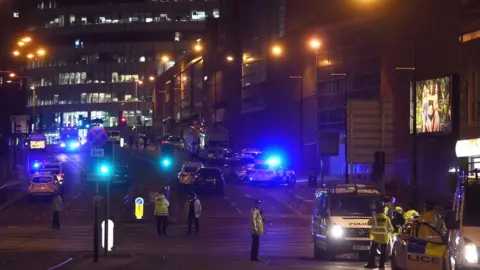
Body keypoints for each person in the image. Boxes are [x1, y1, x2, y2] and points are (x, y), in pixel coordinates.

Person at [365, 204, 394, 269]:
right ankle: (381, 265)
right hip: (384, 238)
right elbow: (391, 229)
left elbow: (368, 223)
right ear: (384, 211)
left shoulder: (375, 217)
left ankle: (370, 264)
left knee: (372, 252)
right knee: (383, 253)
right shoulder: (387, 218)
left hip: (375, 238)